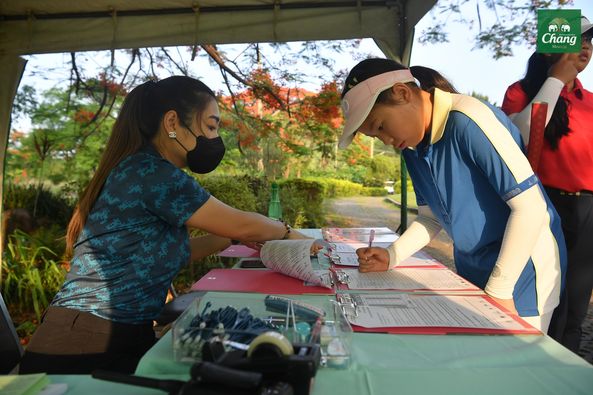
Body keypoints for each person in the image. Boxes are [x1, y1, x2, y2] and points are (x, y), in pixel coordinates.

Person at [19, 76, 308, 374]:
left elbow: (166, 253)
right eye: (210, 126)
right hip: (83, 341)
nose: (215, 138)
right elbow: (242, 223)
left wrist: (231, 239)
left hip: (105, 331)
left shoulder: (139, 167)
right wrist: (291, 234)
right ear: (172, 122)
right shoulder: (152, 173)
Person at [338, 58, 567, 333]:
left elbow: (530, 208)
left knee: (517, 366)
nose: (385, 140)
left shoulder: (468, 120)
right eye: (375, 137)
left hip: (523, 273)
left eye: (381, 126)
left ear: (402, 92)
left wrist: (500, 289)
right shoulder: (412, 147)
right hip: (475, 271)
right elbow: (431, 218)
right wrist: (392, 255)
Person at [501, 15, 593, 352]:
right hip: (543, 204)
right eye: (576, 39)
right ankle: (533, 364)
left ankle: (565, 370)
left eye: (589, 40)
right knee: (544, 294)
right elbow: (520, 139)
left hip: (587, 210)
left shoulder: (590, 100)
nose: (585, 46)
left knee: (576, 304)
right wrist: (555, 81)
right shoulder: (521, 92)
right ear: (548, 48)